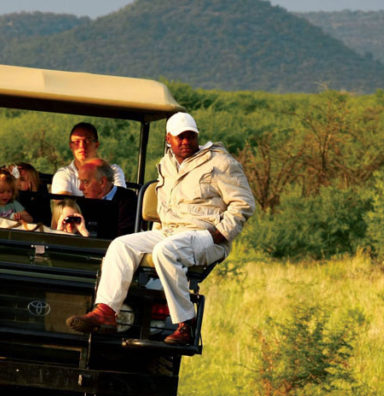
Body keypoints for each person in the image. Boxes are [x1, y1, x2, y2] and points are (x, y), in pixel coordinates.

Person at [66, 112, 255, 346]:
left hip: (206, 234)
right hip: (172, 231)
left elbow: (244, 203)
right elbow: (166, 208)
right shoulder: (166, 165)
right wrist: (156, 231)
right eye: (180, 137)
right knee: (121, 245)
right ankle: (106, 310)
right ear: (168, 138)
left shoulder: (220, 162)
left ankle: (186, 325)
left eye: (190, 136)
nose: (186, 141)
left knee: (165, 250)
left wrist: (220, 233)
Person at [50, 122, 126, 197]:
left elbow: (120, 199)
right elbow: (62, 205)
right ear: (71, 146)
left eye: (87, 141)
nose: (82, 146)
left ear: (96, 145)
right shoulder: (64, 174)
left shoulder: (113, 171)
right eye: (77, 142)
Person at [76, 158, 137, 239]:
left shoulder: (128, 199)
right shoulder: (80, 202)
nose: (80, 188)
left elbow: (125, 236)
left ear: (102, 182)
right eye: (80, 181)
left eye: (85, 182)